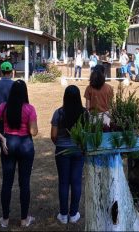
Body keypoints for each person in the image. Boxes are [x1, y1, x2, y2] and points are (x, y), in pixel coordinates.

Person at [0, 80, 38, 228]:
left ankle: (5, 219)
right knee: (24, 182)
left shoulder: (4, 107)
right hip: (25, 145)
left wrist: (2, 137)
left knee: (7, 183)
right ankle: (24, 219)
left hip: (9, 144)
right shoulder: (30, 108)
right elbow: (34, 131)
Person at [51, 85, 87, 224]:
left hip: (62, 150)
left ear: (65, 97)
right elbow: (88, 134)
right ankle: (73, 214)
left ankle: (63, 214)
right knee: (76, 181)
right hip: (78, 151)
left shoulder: (58, 113)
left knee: (64, 182)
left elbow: (53, 135)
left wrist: (59, 144)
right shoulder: (85, 113)